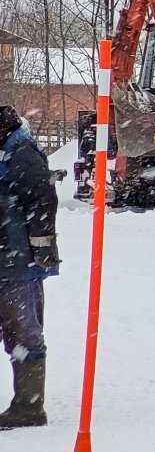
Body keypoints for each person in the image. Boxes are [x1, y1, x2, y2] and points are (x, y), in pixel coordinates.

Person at [0, 105, 59, 430]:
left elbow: (42, 199)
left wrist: (41, 247)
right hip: (7, 256)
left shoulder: (20, 152)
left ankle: (29, 406)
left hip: (15, 262)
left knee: (23, 331)